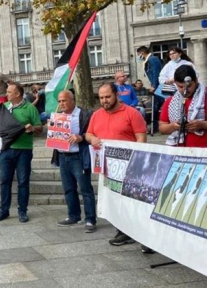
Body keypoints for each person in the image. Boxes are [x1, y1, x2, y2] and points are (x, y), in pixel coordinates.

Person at [85, 83, 147, 248]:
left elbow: (141, 137)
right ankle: (123, 231)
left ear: (117, 95)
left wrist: (137, 161)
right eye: (101, 98)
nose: (104, 100)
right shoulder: (96, 115)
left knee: (133, 202)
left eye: (107, 97)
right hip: (107, 168)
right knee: (115, 201)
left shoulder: (132, 113)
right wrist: (92, 139)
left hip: (128, 166)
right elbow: (88, 133)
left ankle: (142, 236)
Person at [0, 83, 42, 223]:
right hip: (6, 149)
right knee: (4, 181)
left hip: (24, 150)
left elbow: (40, 128)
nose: (6, 94)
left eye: (9, 92)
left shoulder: (30, 108)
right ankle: (4, 210)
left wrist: (32, 128)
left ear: (17, 94)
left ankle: (22, 211)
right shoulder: (4, 107)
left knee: (23, 181)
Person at [51, 90, 97, 233]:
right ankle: (73, 215)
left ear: (73, 100)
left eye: (64, 100)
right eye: (59, 101)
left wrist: (81, 137)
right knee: (69, 189)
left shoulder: (84, 114)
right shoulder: (58, 116)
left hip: (78, 157)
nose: (61, 104)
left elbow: (93, 132)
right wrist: (51, 131)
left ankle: (90, 219)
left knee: (85, 189)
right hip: (63, 156)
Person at [159, 65, 207, 147]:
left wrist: (203, 125)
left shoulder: (204, 96)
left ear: (196, 80)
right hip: (178, 152)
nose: (185, 90)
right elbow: (162, 128)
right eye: (180, 87)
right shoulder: (170, 101)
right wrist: (173, 126)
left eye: (189, 86)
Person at [137, 46, 163, 133]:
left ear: (142, 53)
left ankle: (155, 127)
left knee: (156, 107)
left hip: (158, 87)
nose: (138, 56)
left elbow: (156, 73)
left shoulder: (152, 60)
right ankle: (155, 127)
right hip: (157, 87)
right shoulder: (149, 61)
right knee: (155, 108)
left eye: (139, 54)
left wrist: (154, 86)